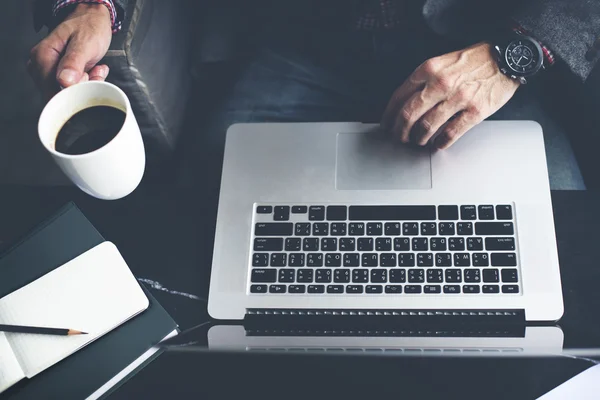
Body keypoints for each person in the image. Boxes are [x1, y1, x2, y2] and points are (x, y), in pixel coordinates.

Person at [28, 0, 599, 189]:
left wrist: (517, 53)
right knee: (203, 229)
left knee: (559, 257)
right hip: (304, 44)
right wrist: (95, 3)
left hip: (486, 45)